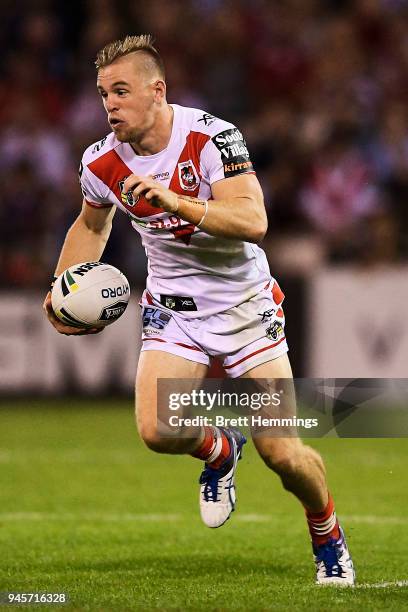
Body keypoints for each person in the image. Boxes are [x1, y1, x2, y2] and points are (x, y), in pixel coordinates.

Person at [43, 34, 355, 586]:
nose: (109, 104)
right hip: (173, 306)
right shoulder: (101, 160)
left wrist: (178, 201)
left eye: (121, 91)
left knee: (283, 455)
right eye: (102, 94)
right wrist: (63, 287)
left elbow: (254, 221)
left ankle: (326, 529)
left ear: (157, 91)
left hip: (245, 308)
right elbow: (92, 225)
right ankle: (218, 447)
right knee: (158, 431)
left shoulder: (211, 139)